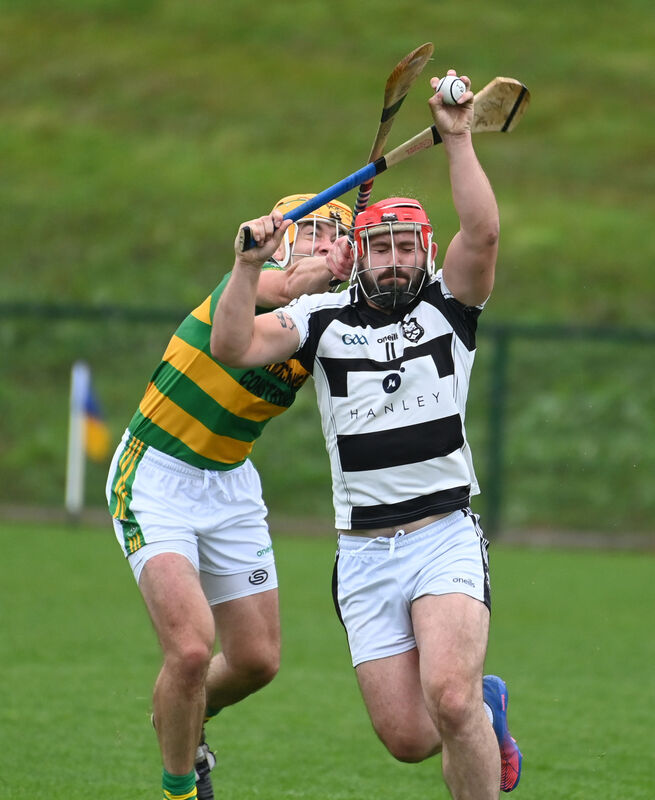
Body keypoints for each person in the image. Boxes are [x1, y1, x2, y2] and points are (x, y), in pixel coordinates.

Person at [210, 70, 523, 798]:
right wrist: (246, 264)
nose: (393, 260)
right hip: (363, 552)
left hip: (442, 533)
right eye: (379, 247)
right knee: (410, 738)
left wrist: (457, 141)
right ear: (362, 252)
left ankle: (471, 705)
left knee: (447, 698)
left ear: (424, 250)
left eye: (405, 247)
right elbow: (231, 347)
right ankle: (489, 705)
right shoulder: (319, 319)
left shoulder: (451, 306)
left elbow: (484, 231)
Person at [106, 193, 353, 800]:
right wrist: (265, 266)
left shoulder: (324, 321)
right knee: (190, 649)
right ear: (283, 241)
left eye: (335, 237)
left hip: (231, 484)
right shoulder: (248, 282)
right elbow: (279, 287)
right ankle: (181, 786)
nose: (323, 244)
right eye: (311, 233)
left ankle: (181, 714)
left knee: (257, 660)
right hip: (157, 475)